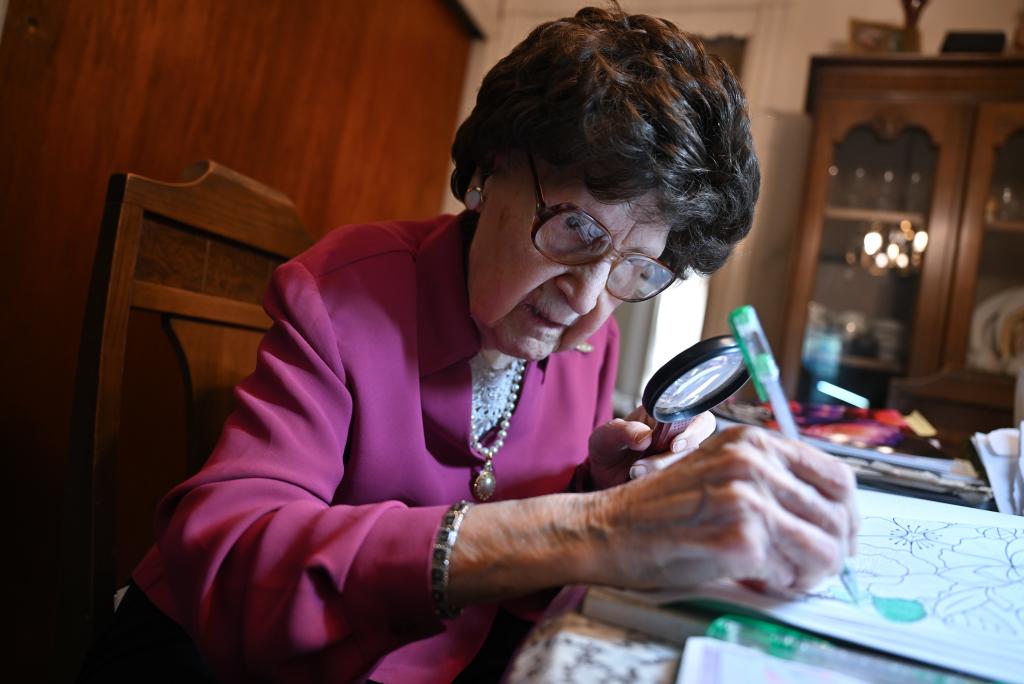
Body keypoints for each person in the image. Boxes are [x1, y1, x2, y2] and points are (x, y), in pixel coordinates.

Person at [81, 4, 857, 683]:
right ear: (489, 173)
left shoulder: (595, 340)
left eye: (634, 265)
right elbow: (229, 556)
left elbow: (525, 543)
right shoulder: (341, 294)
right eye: (575, 229)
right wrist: (597, 528)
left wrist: (598, 487)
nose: (586, 301)